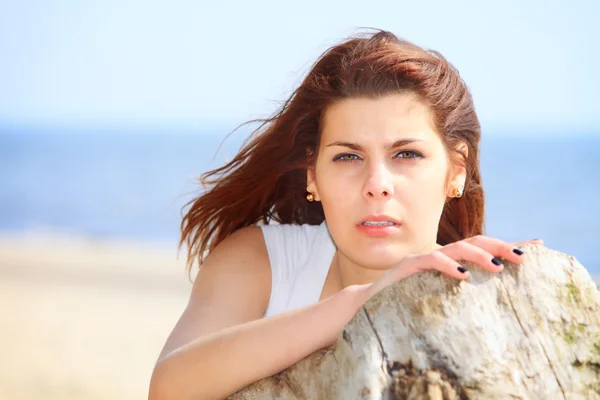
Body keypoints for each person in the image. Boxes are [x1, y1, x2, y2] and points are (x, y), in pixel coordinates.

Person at [148, 29, 541, 400]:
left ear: (456, 170)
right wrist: (360, 303)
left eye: (407, 154)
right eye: (348, 156)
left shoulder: (487, 300)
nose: (376, 183)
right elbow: (169, 388)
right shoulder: (265, 260)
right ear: (312, 175)